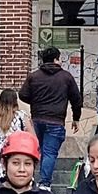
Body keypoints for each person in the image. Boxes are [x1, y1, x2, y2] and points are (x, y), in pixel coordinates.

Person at [19, 45, 83, 185]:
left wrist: (35, 102)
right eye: (59, 59)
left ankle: (31, 181)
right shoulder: (66, 77)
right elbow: (76, 99)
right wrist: (76, 118)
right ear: (56, 59)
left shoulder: (34, 76)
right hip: (56, 121)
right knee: (49, 153)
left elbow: (23, 95)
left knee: (37, 150)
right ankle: (44, 184)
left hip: (37, 119)